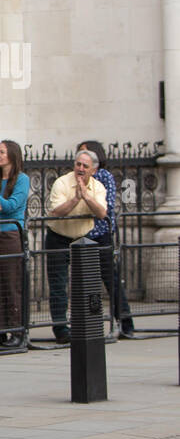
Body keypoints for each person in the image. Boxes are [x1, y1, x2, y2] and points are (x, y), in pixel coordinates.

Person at [45, 149, 108, 344]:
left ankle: (86, 325)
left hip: (83, 238)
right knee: (58, 286)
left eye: (85, 166)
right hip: (59, 237)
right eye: (78, 164)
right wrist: (75, 199)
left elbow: (102, 214)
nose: (80, 168)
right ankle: (61, 329)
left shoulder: (98, 187)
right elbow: (56, 211)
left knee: (86, 284)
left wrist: (87, 196)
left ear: (94, 170)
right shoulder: (62, 183)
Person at [77, 139, 135, 339]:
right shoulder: (74, 178)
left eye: (85, 155)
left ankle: (125, 321)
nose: (81, 162)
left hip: (100, 233)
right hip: (82, 235)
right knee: (86, 282)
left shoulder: (103, 176)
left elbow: (106, 209)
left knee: (111, 278)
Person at [0, 140, 30, 348]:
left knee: (11, 284)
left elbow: (10, 207)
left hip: (11, 233)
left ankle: (17, 330)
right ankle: (0, 330)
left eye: (1, 152)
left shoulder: (22, 179)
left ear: (12, 155)